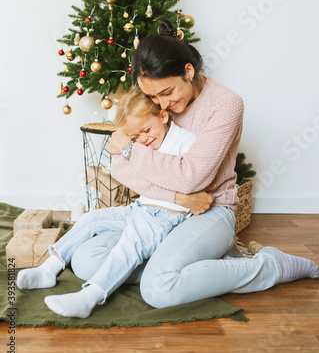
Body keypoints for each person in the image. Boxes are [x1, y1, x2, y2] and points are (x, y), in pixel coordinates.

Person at [71, 19, 319, 309]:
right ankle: (190, 265)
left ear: (188, 72)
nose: (161, 105)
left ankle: (269, 266)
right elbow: (120, 169)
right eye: (152, 97)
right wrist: (178, 196)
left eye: (166, 94)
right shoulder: (154, 93)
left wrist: (130, 148)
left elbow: (192, 177)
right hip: (158, 211)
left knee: (158, 289)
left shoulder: (226, 104)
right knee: (85, 260)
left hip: (210, 211)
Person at [16, 86, 198, 318]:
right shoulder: (142, 144)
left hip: (167, 215)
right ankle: (49, 269)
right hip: (141, 207)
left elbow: (185, 181)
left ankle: (89, 297)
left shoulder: (186, 142)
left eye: (146, 130)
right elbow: (133, 175)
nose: (143, 139)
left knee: (132, 241)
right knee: (91, 219)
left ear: (163, 116)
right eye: (134, 137)